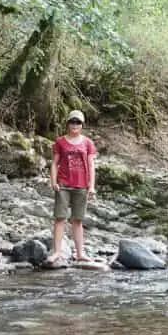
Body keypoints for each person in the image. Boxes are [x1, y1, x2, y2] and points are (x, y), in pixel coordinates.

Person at [46, 110, 96, 264]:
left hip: (81, 186)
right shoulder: (60, 142)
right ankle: (57, 253)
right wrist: (53, 181)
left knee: (78, 220)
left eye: (78, 122)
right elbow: (54, 163)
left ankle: (80, 253)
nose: (75, 125)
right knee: (60, 218)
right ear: (67, 124)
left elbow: (91, 164)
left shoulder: (87, 142)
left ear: (82, 125)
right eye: (72, 122)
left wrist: (91, 186)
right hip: (63, 184)